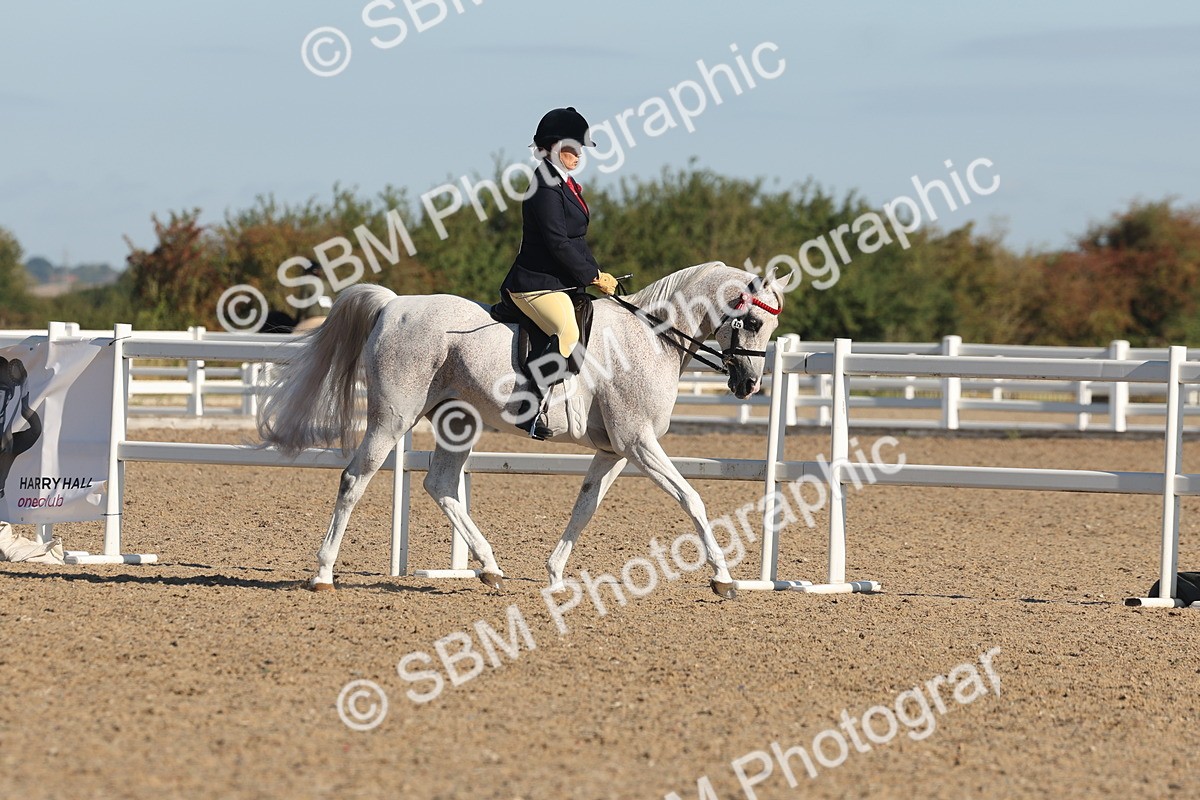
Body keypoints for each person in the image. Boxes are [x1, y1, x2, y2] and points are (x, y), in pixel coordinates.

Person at [499, 106, 618, 437]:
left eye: (579, 149)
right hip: (534, 284)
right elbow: (557, 242)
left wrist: (596, 272)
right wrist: (592, 276)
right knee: (567, 333)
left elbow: (575, 239)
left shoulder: (565, 184)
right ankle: (527, 409)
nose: (577, 154)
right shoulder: (544, 187)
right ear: (551, 148)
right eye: (570, 148)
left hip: (559, 283)